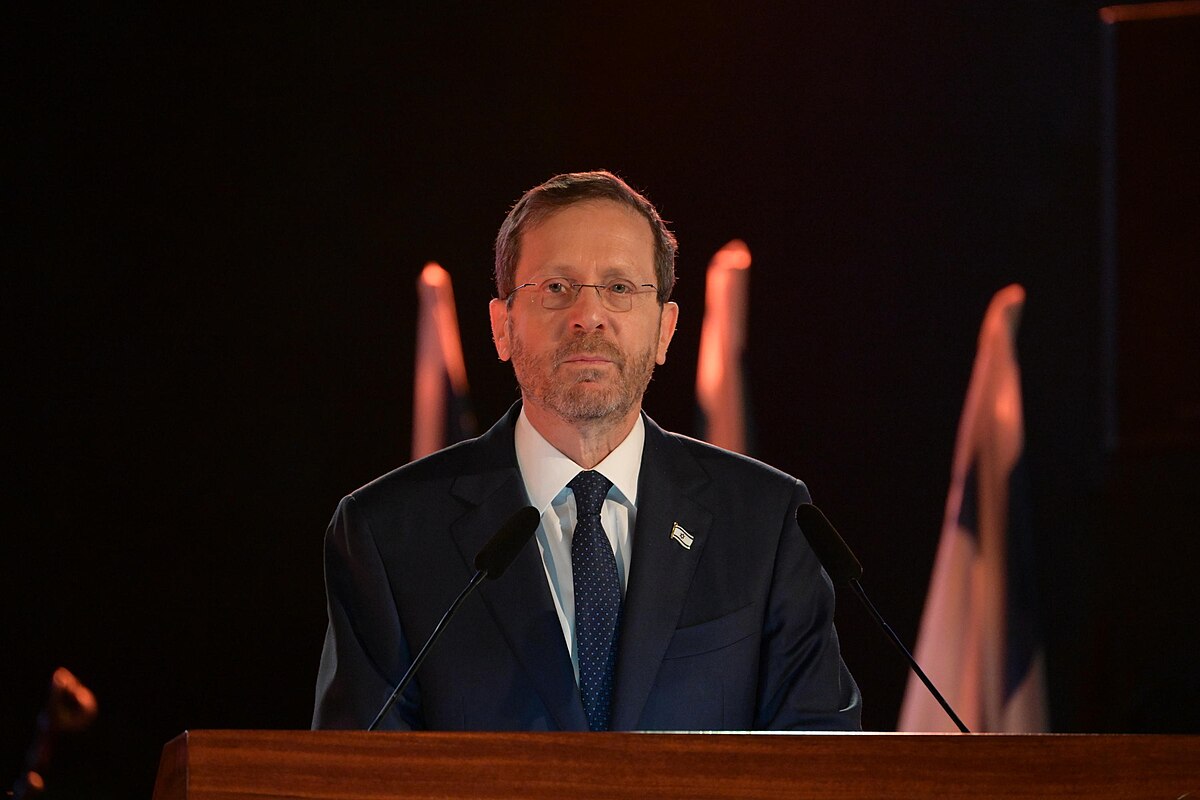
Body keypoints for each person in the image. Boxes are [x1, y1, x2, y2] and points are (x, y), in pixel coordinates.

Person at [312, 170, 861, 731]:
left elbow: (821, 766)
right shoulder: (387, 533)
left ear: (666, 330)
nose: (588, 315)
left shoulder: (768, 522)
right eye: (556, 287)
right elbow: (360, 776)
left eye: (620, 288)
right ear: (501, 327)